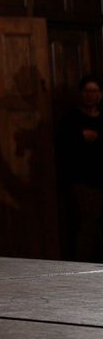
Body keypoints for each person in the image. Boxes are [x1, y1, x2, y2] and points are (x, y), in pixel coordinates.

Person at [55, 75, 103, 261]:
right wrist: (81, 138)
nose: (91, 95)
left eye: (95, 91)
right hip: (84, 182)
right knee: (87, 228)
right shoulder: (71, 120)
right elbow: (62, 148)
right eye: (88, 91)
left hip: (100, 178)